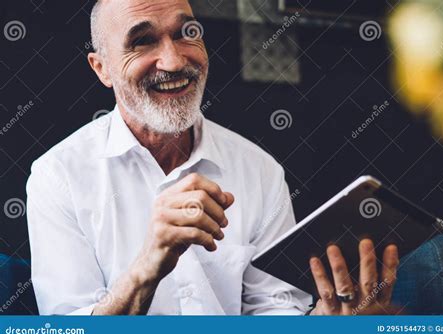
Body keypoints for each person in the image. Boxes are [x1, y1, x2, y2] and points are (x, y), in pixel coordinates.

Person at [26, 0, 398, 315]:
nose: (173, 61)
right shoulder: (57, 176)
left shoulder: (260, 170)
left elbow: (274, 311)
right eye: (142, 42)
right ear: (102, 68)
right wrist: (146, 269)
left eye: (186, 33)